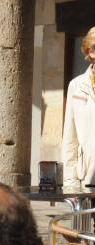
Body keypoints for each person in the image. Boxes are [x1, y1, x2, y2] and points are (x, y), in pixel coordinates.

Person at [62, 26, 95, 188]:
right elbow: (70, 136)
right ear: (91, 52)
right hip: (87, 178)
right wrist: (70, 181)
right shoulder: (76, 85)